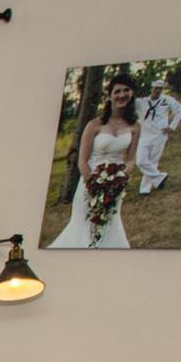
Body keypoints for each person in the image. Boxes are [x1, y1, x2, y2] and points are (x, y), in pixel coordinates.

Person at [48, 74, 141, 249]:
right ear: (110, 95)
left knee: (110, 222)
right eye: (117, 91)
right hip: (90, 181)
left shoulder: (135, 126)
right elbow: (82, 159)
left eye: (126, 90)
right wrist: (92, 182)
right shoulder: (95, 124)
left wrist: (120, 177)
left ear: (132, 93)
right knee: (83, 222)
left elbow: (131, 159)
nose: (122, 95)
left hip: (116, 184)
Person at [135, 77, 181, 194]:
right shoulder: (141, 102)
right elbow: (127, 103)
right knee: (141, 161)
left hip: (160, 135)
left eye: (160, 89)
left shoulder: (167, 100)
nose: (157, 90)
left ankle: (145, 190)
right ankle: (160, 177)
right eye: (155, 88)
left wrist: (172, 126)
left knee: (152, 162)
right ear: (151, 88)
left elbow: (180, 110)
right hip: (145, 136)